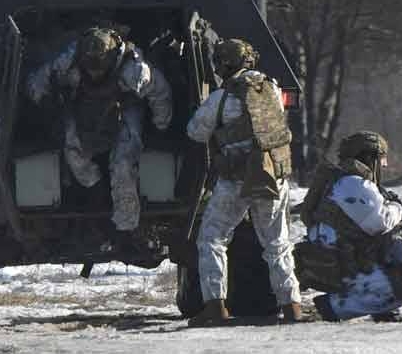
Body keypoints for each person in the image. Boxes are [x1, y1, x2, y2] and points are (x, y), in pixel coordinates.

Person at [185, 38, 301, 326]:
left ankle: (215, 306)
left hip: (237, 178)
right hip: (274, 175)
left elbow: (195, 132)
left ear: (224, 64)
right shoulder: (271, 87)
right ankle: (292, 306)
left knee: (212, 237)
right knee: (277, 243)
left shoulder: (221, 98)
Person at [25, 27, 172, 242]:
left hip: (125, 109)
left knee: (123, 164)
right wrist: (44, 101)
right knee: (74, 152)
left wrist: (161, 124)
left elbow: (161, 93)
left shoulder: (134, 70)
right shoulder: (69, 61)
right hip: (81, 109)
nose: (94, 72)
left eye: (99, 67)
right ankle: (96, 191)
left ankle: (125, 227)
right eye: (90, 67)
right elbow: (37, 81)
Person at [295, 131, 402, 322]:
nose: (384, 165)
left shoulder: (343, 181)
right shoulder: (352, 183)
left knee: (398, 247)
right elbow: (379, 224)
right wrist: (398, 208)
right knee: (400, 290)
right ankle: (334, 307)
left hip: (337, 258)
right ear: (369, 157)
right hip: (336, 264)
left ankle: (380, 303)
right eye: (382, 159)